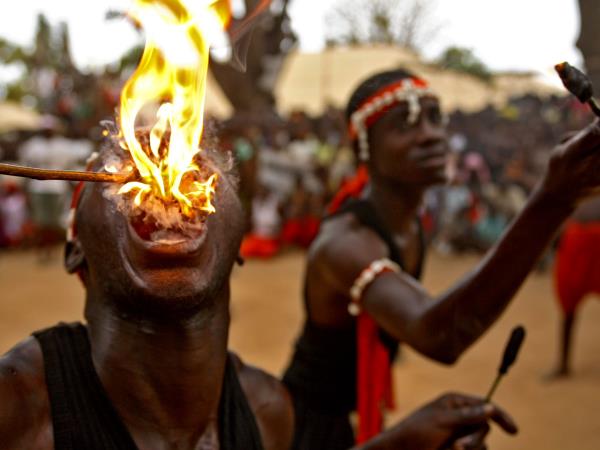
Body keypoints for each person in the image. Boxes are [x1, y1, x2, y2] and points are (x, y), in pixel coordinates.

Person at [0, 134, 518, 449]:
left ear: (238, 241)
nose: (165, 168)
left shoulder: (268, 413)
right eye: (118, 162)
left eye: (197, 163)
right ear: (76, 250)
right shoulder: (15, 410)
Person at [282, 68, 600, 449]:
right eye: (405, 124)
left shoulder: (410, 224)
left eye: (436, 118)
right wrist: (554, 200)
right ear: (363, 147)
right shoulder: (345, 244)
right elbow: (440, 335)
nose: (431, 134)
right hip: (303, 428)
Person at [550, 194, 600, 378]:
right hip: (576, 238)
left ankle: (563, 365)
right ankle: (563, 364)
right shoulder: (576, 169)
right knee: (568, 300)